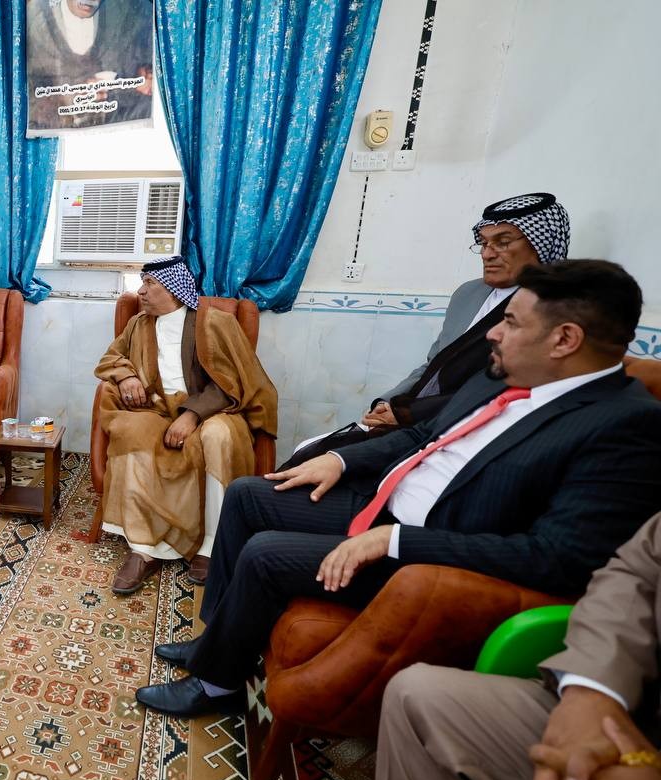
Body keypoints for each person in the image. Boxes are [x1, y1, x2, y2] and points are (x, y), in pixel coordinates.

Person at [134, 259, 661, 717]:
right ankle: (217, 640)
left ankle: (217, 684)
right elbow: (419, 436)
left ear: (564, 339)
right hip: (384, 505)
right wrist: (340, 459)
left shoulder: (623, 427)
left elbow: (556, 559)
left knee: (265, 553)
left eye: (511, 322)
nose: (493, 334)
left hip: (429, 554)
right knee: (249, 495)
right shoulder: (502, 377)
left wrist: (395, 541)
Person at [375, 511, 661, 780]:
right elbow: (638, 569)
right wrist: (592, 691)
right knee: (417, 695)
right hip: (635, 715)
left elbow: (551, 554)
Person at [282, 192, 571, 468]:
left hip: (464, 429)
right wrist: (386, 403)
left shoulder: (551, 308)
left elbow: (501, 390)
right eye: (483, 243)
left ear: (541, 243)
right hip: (413, 416)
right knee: (309, 451)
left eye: (503, 242)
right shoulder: (468, 294)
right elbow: (433, 365)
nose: (487, 254)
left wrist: (407, 413)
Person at [94, 256, 277, 595]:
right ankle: (143, 549)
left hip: (212, 410)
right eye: (142, 283)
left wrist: (192, 415)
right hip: (154, 410)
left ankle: (211, 544)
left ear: (174, 289)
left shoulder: (215, 323)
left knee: (218, 437)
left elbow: (232, 382)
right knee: (130, 433)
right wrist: (126, 375)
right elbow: (111, 358)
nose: (141, 291)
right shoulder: (138, 324)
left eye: (150, 284)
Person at [26, 0, 153, 131]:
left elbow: (153, 71)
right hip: (57, 135)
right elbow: (23, 98)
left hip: (120, 130)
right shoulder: (32, 21)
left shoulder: (131, 13)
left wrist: (139, 81)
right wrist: (62, 101)